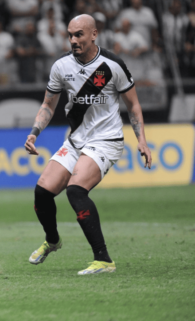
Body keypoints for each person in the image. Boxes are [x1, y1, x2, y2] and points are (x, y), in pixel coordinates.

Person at [24, 14, 152, 275]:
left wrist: (142, 140)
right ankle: (52, 240)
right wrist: (34, 132)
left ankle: (103, 260)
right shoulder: (61, 66)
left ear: (94, 34)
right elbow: (48, 104)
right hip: (75, 140)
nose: (73, 40)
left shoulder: (112, 66)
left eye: (79, 34)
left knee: (75, 191)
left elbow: (133, 105)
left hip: (106, 141)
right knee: (42, 192)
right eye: (70, 35)